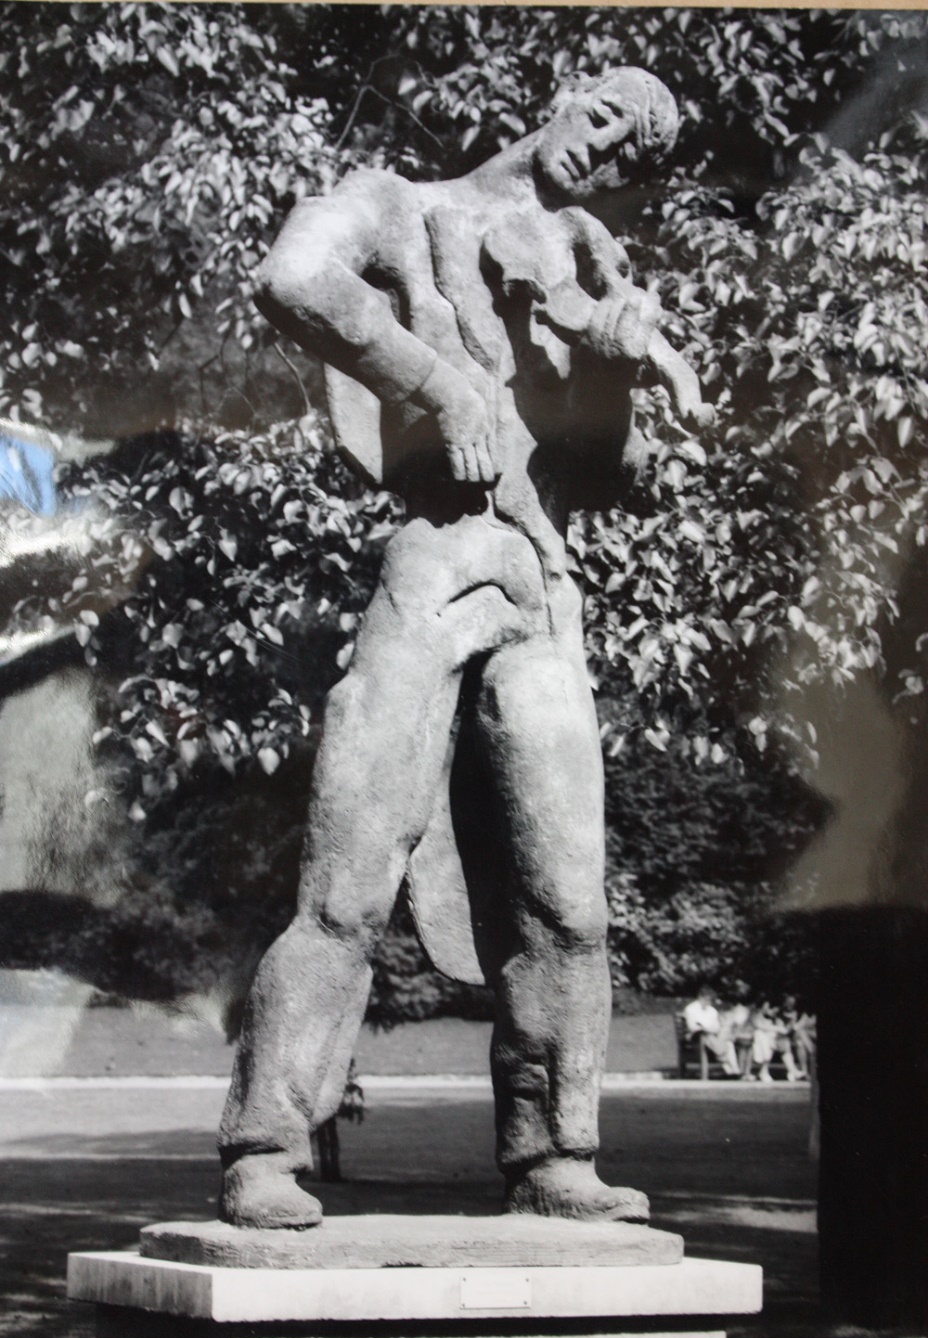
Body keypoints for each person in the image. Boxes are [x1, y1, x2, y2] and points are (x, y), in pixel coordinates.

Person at [218, 68, 714, 1229]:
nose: (600, 156)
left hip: (541, 584)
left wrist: (627, 367)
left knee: (567, 897)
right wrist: (439, 381)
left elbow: (613, 475)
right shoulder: (402, 204)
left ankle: (553, 1155)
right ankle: (263, 1147)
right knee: (350, 872)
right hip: (439, 559)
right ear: (564, 95)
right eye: (599, 120)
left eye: (628, 157)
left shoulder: (592, 262)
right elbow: (291, 276)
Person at [682, 986, 741, 1076]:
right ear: (700, 997)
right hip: (696, 1037)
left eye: (709, 1000)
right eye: (706, 999)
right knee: (705, 1036)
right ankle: (728, 1064)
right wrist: (704, 1028)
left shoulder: (712, 1011)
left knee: (728, 1043)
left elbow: (716, 1027)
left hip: (712, 1036)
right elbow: (692, 1027)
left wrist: (709, 1029)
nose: (707, 1002)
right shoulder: (691, 1009)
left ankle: (733, 1070)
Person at [747, 1001, 802, 1082]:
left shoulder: (775, 1018)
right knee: (768, 1041)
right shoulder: (754, 1014)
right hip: (754, 1039)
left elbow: (785, 1031)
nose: (773, 1011)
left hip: (772, 1040)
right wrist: (777, 1029)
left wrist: (792, 1021)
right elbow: (759, 1026)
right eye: (771, 1009)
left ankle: (792, 1071)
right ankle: (764, 1072)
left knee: (783, 1042)